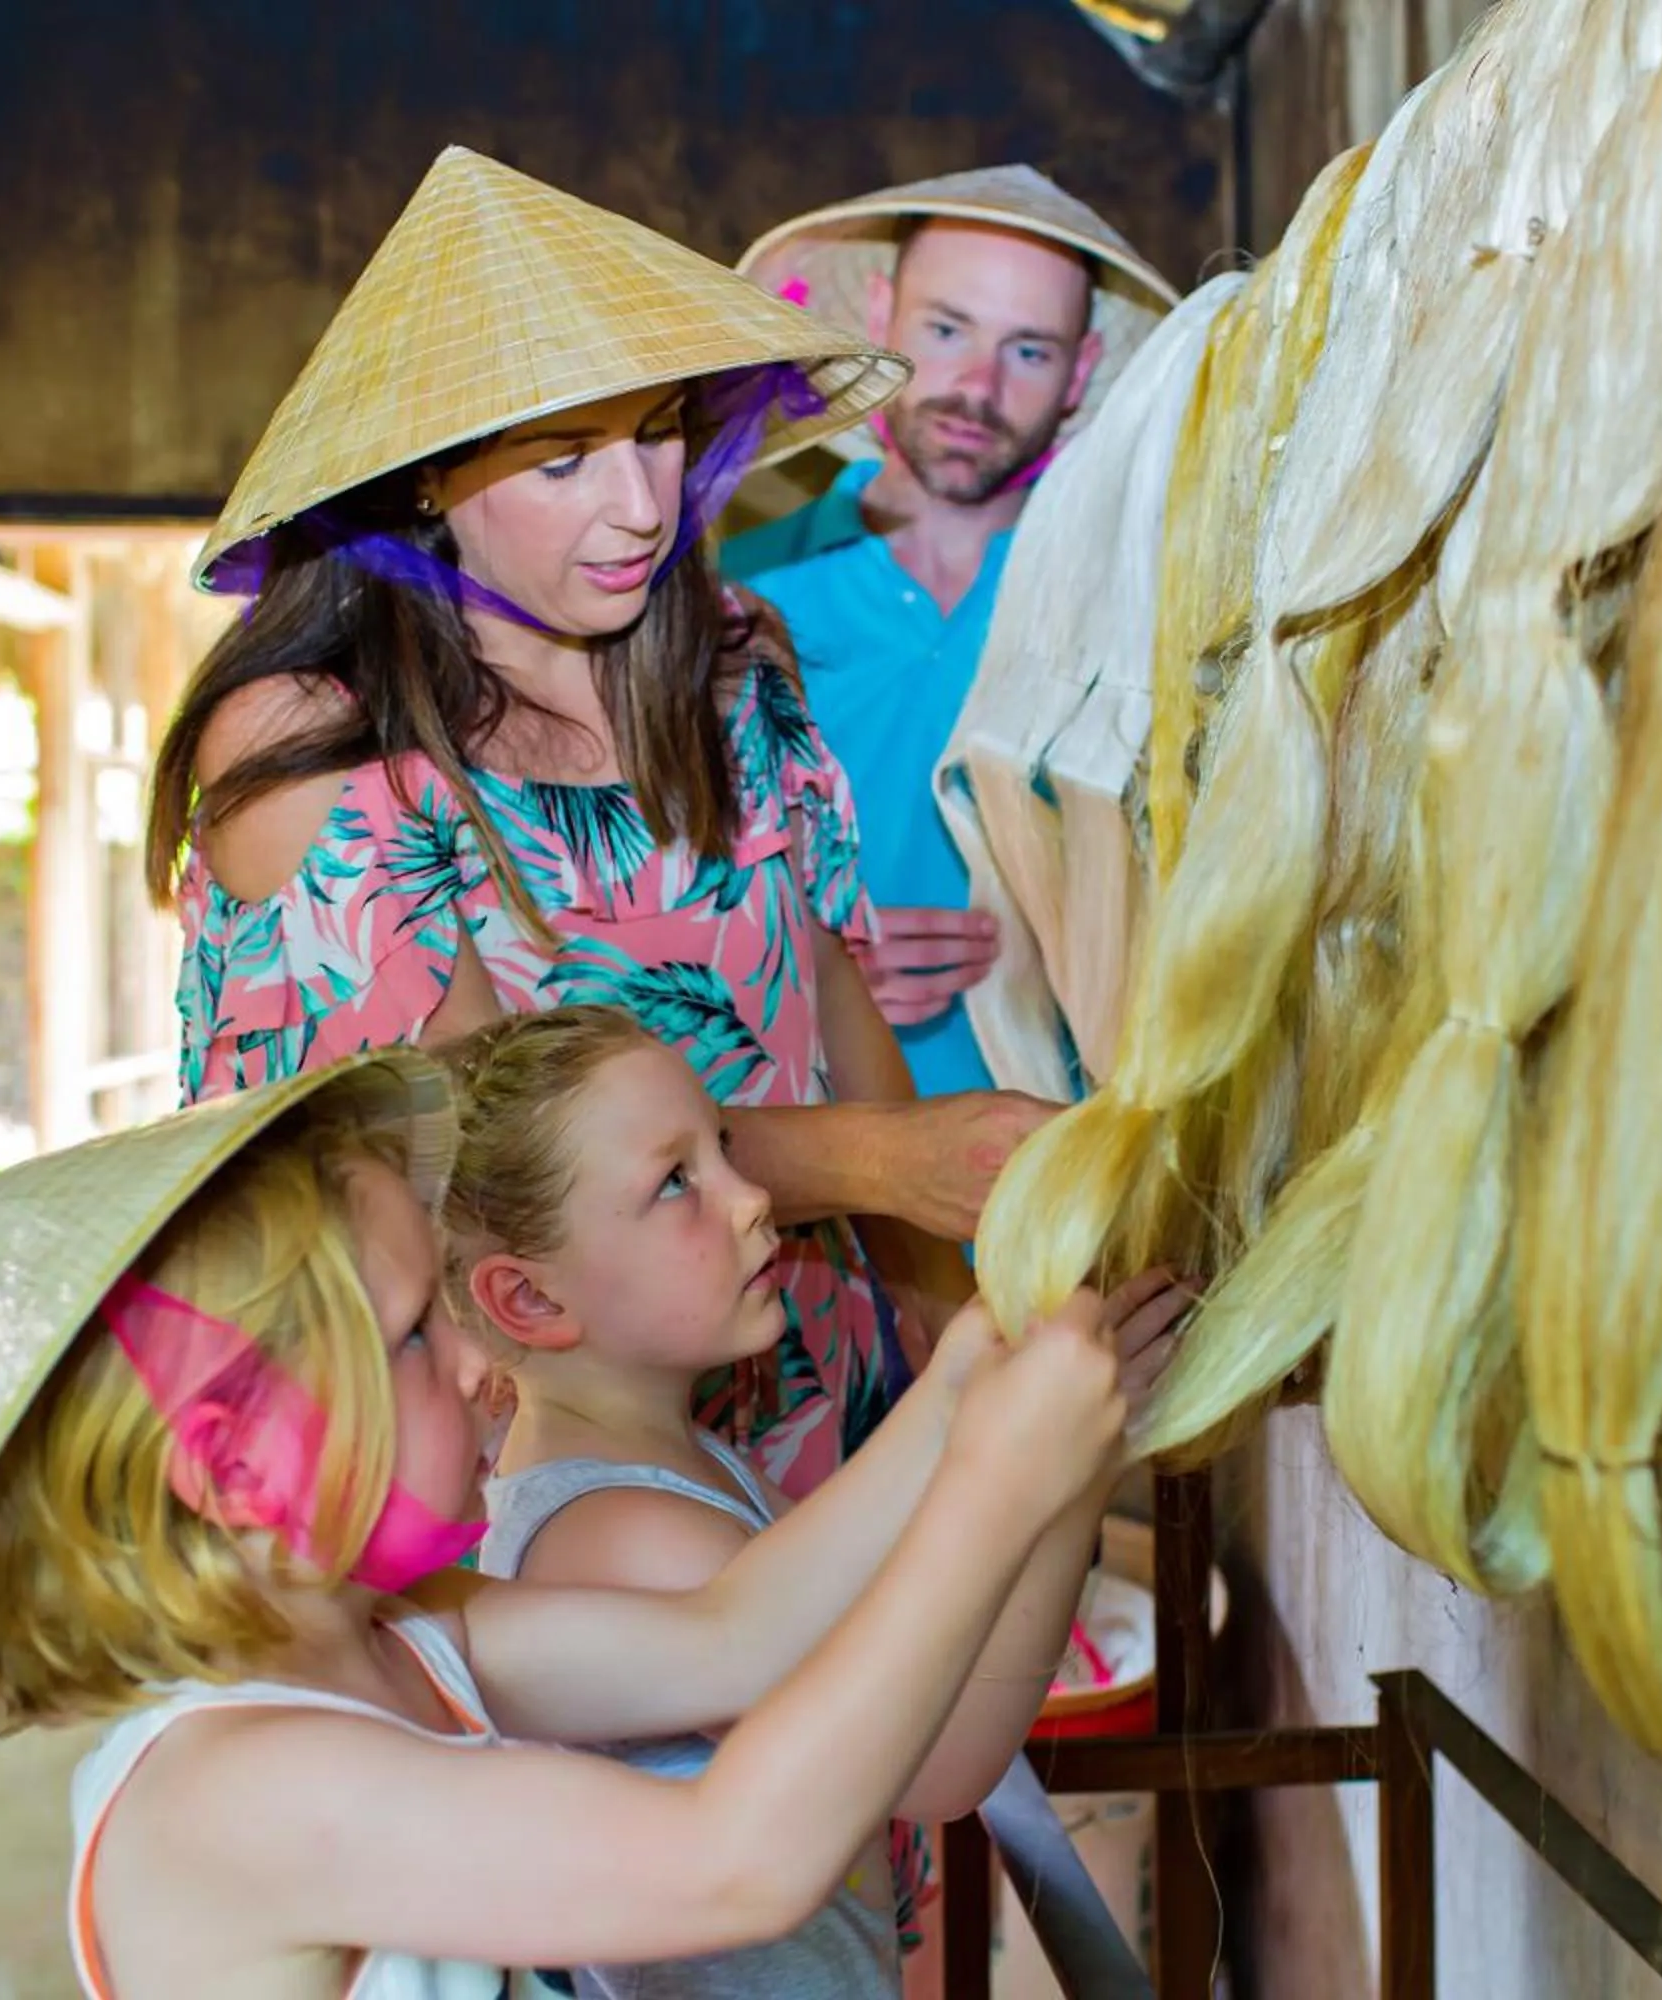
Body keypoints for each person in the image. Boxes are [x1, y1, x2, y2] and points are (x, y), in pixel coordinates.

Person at [148, 147, 1041, 1510]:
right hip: (538, 1459)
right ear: (428, 480)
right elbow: (497, 1158)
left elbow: (831, 1006)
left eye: (661, 434)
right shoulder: (310, 752)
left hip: (814, 1384)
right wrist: (887, 1165)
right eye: (566, 461)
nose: (643, 509)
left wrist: (935, 1332)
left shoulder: (734, 658)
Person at [0, 1048, 1137, 2000]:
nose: (478, 1367)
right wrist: (996, 1486)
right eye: (414, 1337)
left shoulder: (407, 1632)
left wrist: (972, 1373)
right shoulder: (240, 1789)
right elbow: (736, 1855)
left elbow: (733, 1630)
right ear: (228, 1462)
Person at [436, 1007, 1187, 2000]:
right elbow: (947, 1761)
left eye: (726, 1146)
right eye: (675, 1182)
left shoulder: (689, 1462)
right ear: (528, 1301)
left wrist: (989, 1387)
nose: (754, 1200)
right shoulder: (620, 1535)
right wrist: (1067, 1474)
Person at [723, 169, 1179, 1097]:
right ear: (880, 316)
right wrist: (804, 966)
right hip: (804, 1189)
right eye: (945, 330)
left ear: (1082, 373)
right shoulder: (732, 602)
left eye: (1030, 351)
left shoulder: (1143, 613)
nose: (978, 387)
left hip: (1076, 1191)